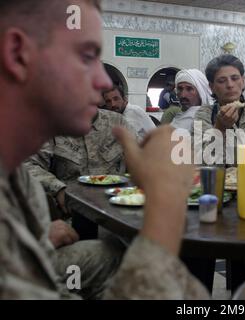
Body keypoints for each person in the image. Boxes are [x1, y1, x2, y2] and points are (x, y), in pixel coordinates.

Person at [0, 0, 208, 299]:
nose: (101, 83)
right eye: (86, 57)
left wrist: (37, 238)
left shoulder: (15, 171)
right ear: (18, 54)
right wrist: (165, 211)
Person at [24, 108, 134, 219]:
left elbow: (143, 156)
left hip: (118, 210)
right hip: (71, 213)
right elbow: (27, 165)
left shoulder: (118, 122)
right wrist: (58, 189)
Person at [170, 68, 214, 133]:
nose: (183, 95)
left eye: (189, 89)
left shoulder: (208, 118)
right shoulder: (180, 116)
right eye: (180, 89)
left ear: (201, 92)